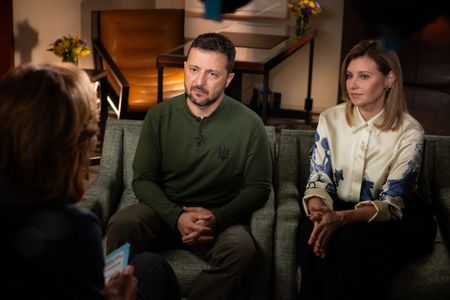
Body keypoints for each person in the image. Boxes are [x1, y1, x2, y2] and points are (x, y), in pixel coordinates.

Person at [106, 32, 273, 300]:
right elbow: (143, 179)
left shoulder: (250, 124)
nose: (199, 81)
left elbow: (258, 188)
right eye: (194, 69)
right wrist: (176, 216)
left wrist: (216, 218)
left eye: (212, 74)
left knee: (243, 251)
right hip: (163, 213)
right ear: (185, 67)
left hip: (219, 220)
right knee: (123, 223)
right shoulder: (159, 116)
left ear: (229, 79)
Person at [0, 63, 177, 300]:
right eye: (93, 127)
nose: (95, 138)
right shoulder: (75, 230)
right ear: (74, 145)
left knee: (150, 263)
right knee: (154, 272)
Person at [297, 39, 437, 300]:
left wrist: (341, 219)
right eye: (350, 75)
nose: (352, 84)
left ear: (389, 79)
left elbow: (393, 203)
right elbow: (319, 176)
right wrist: (319, 213)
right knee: (309, 231)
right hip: (337, 204)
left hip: (394, 216)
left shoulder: (410, 131)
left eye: (364, 76)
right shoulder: (330, 118)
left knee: (352, 243)